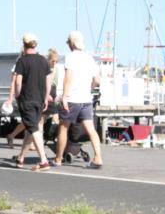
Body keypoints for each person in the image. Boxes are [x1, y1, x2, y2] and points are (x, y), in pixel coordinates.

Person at [53, 30, 104, 169]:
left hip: (73, 98)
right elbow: (97, 80)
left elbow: (68, 78)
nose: (68, 44)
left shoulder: (71, 57)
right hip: (86, 99)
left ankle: (58, 159)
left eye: (69, 42)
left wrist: (64, 96)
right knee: (91, 130)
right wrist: (90, 89)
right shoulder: (90, 58)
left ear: (73, 43)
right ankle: (98, 157)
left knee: (63, 127)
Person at [11, 33, 52, 171]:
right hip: (40, 100)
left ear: (24, 44)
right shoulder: (43, 60)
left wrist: (17, 96)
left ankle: (44, 161)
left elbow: (18, 82)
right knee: (31, 128)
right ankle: (21, 158)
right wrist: (46, 97)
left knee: (33, 128)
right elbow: (48, 81)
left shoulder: (22, 61)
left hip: (27, 99)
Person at [7, 47, 59, 148]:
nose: (55, 63)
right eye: (53, 61)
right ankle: (32, 143)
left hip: (48, 96)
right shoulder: (27, 63)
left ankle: (29, 142)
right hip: (36, 96)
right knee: (33, 121)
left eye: (56, 61)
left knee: (36, 121)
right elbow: (16, 81)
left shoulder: (53, 69)